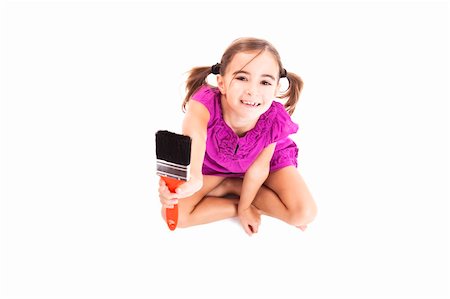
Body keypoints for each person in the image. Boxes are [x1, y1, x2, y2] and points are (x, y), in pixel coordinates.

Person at [158, 37, 317, 235]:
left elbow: (259, 168)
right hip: (214, 164)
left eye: (265, 82)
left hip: (262, 164)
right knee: (175, 215)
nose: (253, 90)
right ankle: (231, 188)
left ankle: (235, 190)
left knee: (304, 213)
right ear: (222, 83)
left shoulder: (273, 118)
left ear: (276, 89)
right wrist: (195, 177)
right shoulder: (204, 103)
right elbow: (195, 133)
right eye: (242, 78)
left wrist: (245, 208)